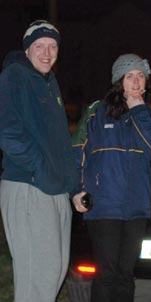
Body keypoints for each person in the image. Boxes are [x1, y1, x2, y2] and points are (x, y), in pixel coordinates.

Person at [71, 54, 151, 302]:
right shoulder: (96, 113)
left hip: (136, 208)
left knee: (125, 274)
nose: (136, 82)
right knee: (107, 274)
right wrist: (75, 190)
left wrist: (139, 111)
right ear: (118, 81)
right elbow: (75, 152)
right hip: (104, 205)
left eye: (140, 76)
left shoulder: (150, 118)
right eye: (129, 77)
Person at [0, 20, 78, 302]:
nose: (47, 53)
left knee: (55, 272)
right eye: (39, 46)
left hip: (55, 189)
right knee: (38, 277)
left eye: (53, 46)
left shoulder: (49, 82)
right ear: (27, 49)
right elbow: (7, 132)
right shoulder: (15, 76)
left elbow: (60, 143)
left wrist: (74, 186)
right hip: (29, 187)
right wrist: (41, 171)